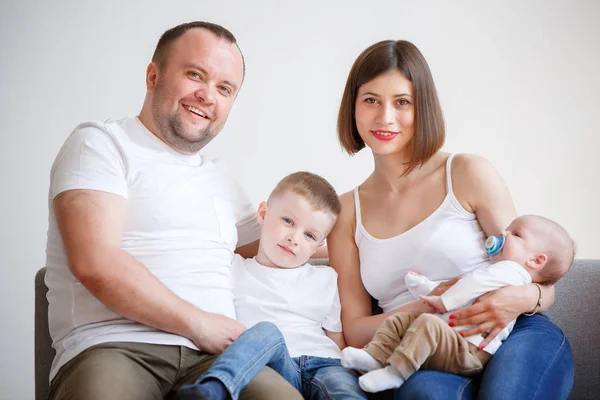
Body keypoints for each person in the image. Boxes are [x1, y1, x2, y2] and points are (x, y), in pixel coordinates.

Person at [44, 21, 302, 400]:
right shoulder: (99, 144)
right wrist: (199, 324)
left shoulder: (222, 178)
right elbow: (95, 262)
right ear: (153, 75)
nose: (207, 95)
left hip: (218, 361)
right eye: (195, 74)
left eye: (224, 88)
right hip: (113, 346)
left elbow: (283, 245)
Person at [327, 39, 574, 399]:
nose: (385, 117)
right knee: (421, 394)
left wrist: (520, 300)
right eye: (370, 100)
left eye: (402, 102)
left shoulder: (466, 172)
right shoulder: (346, 211)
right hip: (428, 347)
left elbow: (539, 277)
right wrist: (430, 305)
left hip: (511, 331)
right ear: (353, 108)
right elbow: (354, 331)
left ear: (422, 107)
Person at [178, 171, 366, 400]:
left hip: (325, 363)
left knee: (343, 389)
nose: (294, 238)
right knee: (267, 330)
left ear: (319, 244)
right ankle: (215, 388)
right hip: (271, 365)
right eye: (288, 221)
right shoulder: (232, 267)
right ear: (263, 213)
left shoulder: (325, 278)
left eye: (309, 235)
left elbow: (337, 339)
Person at [341, 215, 575, 393]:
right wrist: (423, 287)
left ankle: (396, 372)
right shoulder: (496, 269)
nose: (502, 232)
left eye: (515, 233)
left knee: (427, 324)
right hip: (451, 337)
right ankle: (377, 356)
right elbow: (459, 284)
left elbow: (469, 285)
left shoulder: (511, 272)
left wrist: (443, 301)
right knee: (401, 320)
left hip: (471, 349)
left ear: (535, 260)